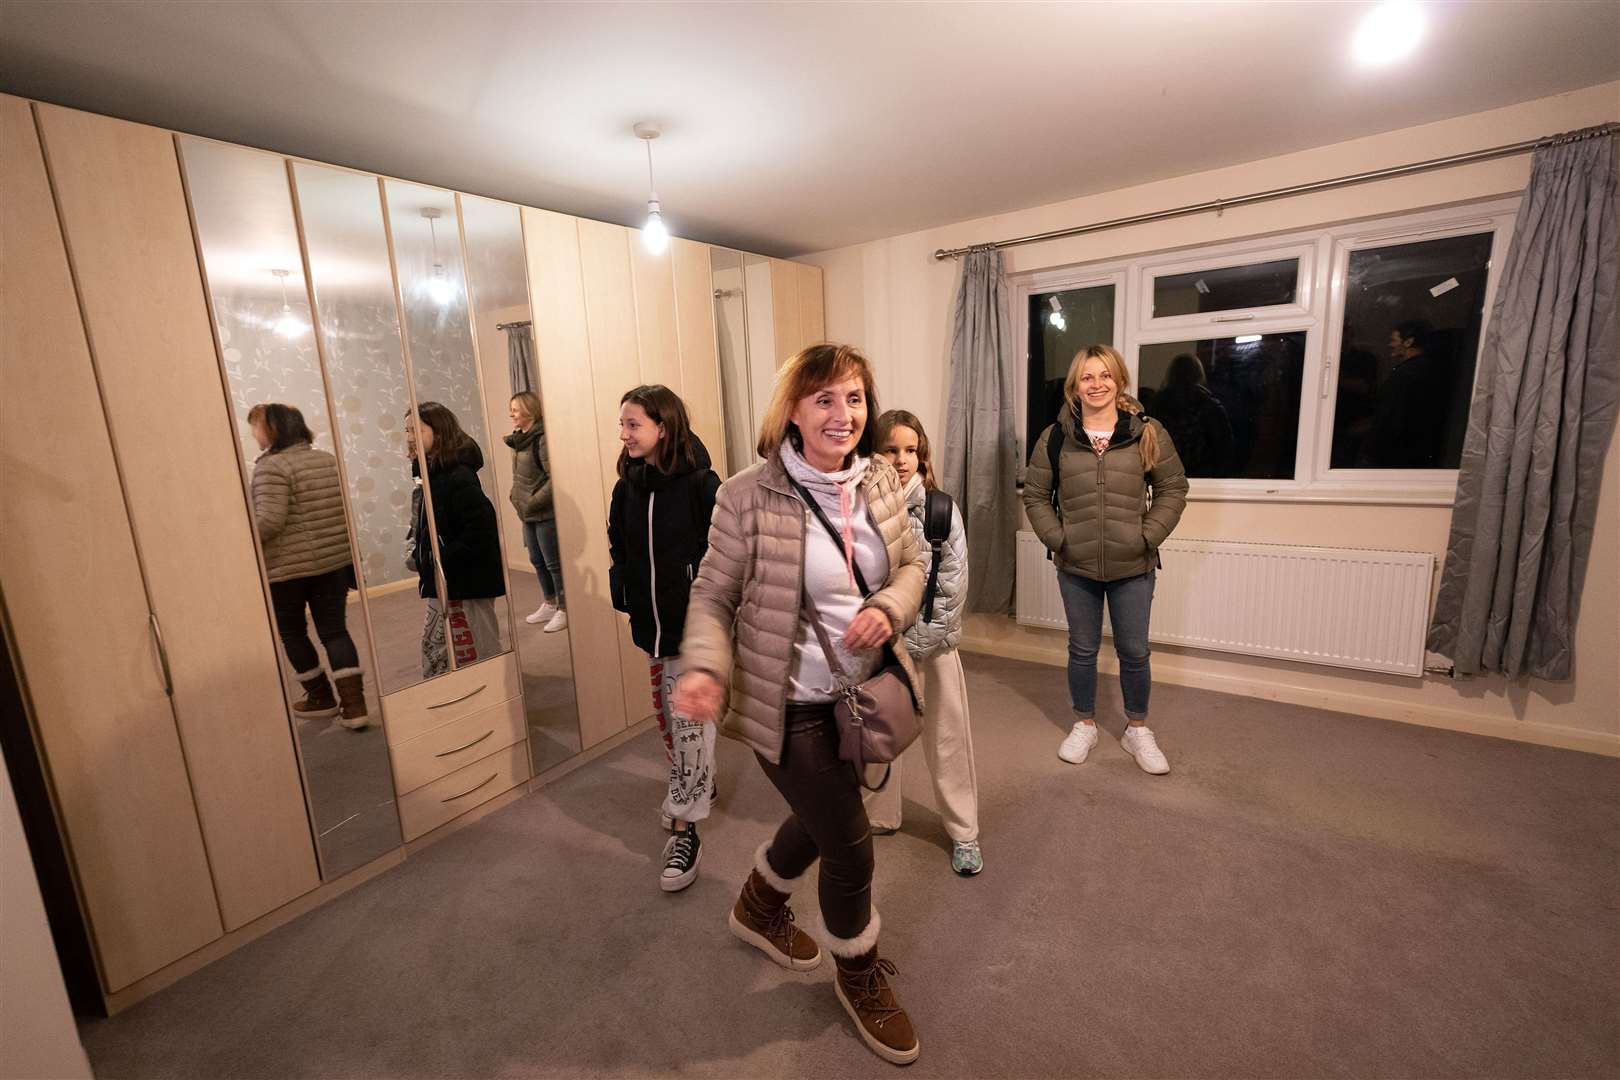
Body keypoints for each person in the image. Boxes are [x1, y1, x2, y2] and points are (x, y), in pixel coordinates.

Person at [675, 343, 927, 1066]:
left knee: (821, 822)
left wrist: (891, 605)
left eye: (853, 398)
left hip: (859, 693)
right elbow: (714, 594)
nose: (843, 415)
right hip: (786, 702)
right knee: (850, 846)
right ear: (792, 409)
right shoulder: (745, 494)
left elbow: (912, 564)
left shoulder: (879, 479)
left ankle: (757, 906)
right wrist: (702, 665)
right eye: (824, 400)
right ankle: (858, 974)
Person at [1023, 344, 1188, 774]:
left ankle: (1137, 729)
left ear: (1119, 381)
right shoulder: (1055, 437)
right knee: (1082, 649)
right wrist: (1058, 539)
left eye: (1105, 376)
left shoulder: (1146, 432)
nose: (1096, 385)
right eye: (1087, 377)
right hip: (1076, 567)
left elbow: (1173, 488)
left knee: (1135, 652)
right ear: (1075, 387)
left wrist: (1146, 535)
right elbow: (1037, 496)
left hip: (1134, 566)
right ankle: (1085, 723)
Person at [607, 385, 722, 892]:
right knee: (669, 723)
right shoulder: (627, 485)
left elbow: (722, 557)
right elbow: (620, 546)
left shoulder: (701, 483)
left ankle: (686, 827)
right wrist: (628, 593)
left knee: (688, 729)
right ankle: (698, 780)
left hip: (696, 630)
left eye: (634, 424)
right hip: (653, 626)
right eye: (623, 424)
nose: (625, 433)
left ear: (664, 427)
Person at [869, 409, 983, 877]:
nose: (901, 459)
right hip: (882, 646)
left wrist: (921, 641)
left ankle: (964, 831)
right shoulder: (863, 508)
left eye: (910, 450)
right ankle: (879, 815)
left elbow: (954, 586)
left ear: (923, 453)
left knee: (948, 738)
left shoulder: (939, 508)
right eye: (891, 449)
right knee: (877, 734)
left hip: (934, 646)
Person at [248, 403, 368, 729]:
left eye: (257, 427)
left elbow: (269, 522)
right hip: (333, 564)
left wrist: (240, 537)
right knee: (334, 631)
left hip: (288, 571)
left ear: (273, 430)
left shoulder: (271, 467)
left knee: (291, 631)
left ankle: (320, 697)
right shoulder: (326, 460)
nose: (254, 434)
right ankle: (355, 707)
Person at [406, 402, 507, 678]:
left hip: (466, 578)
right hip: (446, 576)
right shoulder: (430, 474)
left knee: (476, 647)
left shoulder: (457, 475)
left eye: (416, 429)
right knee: (438, 645)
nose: (409, 436)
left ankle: (493, 693)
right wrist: (420, 552)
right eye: (407, 430)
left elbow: (481, 529)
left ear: (437, 431)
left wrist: (442, 557)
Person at [505, 391, 567, 632]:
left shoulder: (541, 439)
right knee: (537, 560)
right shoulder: (520, 439)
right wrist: (515, 496)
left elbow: (554, 478)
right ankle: (550, 602)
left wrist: (531, 501)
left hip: (543, 512)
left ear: (529, 411)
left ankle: (564, 608)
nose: (511, 414)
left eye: (516, 409)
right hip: (527, 513)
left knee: (553, 563)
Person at [1153, 353, 1234, 477]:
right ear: (1198, 373)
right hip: (1202, 473)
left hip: (1166, 471)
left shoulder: (1158, 404)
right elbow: (1224, 446)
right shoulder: (1209, 405)